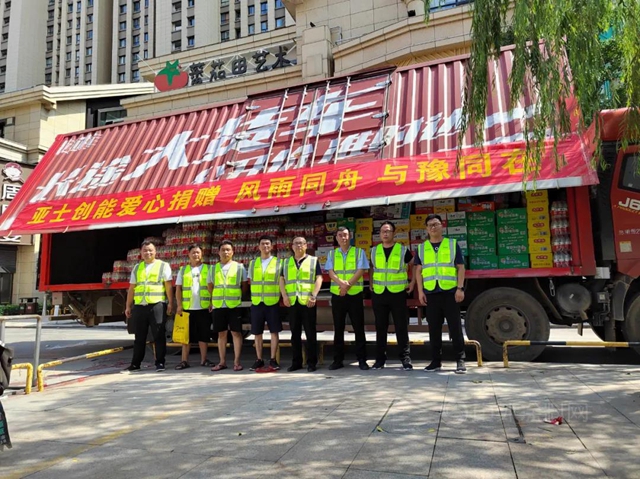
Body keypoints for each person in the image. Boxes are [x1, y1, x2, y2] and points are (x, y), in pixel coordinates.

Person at [415, 213, 467, 374]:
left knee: (455, 327)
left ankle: (460, 360)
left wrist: (460, 288)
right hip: (431, 293)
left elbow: (460, 267)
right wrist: (420, 291)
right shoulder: (422, 248)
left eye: (436, 224)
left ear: (442, 226)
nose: (433, 227)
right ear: (426, 229)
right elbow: (418, 271)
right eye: (430, 225)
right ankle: (436, 361)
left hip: (450, 292)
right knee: (434, 329)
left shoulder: (452, 244)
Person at [369, 221, 415, 370]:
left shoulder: (402, 250)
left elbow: (414, 264)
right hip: (379, 293)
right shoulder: (374, 251)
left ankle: (405, 359)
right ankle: (380, 360)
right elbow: (372, 267)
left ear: (393, 233)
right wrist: (371, 282)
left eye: (388, 231)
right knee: (380, 328)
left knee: (401, 327)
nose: (385, 233)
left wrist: (412, 282)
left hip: (398, 293)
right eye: (383, 231)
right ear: (380, 234)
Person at [124, 240, 174, 372]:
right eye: (145, 250)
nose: (148, 253)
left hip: (157, 304)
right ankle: (135, 364)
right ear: (141, 253)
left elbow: (168, 286)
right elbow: (132, 288)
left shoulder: (163, 266)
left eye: (150, 250)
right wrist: (128, 306)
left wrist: (170, 303)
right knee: (139, 337)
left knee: (159, 335)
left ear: (155, 252)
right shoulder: (137, 267)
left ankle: (160, 363)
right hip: (140, 305)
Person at [325, 226, 369, 370]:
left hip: (354, 294)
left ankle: (362, 359)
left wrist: (348, 285)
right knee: (338, 328)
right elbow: (331, 272)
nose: (343, 238)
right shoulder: (332, 254)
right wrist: (341, 285)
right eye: (340, 235)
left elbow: (361, 270)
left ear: (350, 236)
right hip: (338, 295)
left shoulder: (358, 252)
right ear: (336, 238)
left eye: (345, 235)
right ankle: (338, 360)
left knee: (358, 327)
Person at [279, 237, 323, 372]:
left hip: (307, 301)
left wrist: (314, 295)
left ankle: (311, 363)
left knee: (310, 333)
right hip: (292, 302)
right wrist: (284, 296)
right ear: (292, 246)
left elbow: (319, 278)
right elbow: (282, 280)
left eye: (301, 243)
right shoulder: (286, 262)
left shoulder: (313, 260)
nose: (298, 246)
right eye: (296, 243)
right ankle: (296, 362)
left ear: (306, 246)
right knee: (294, 334)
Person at [208, 240, 248, 372]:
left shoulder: (239, 267)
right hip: (219, 305)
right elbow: (210, 286)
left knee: (236, 333)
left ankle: (237, 362)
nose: (225, 252)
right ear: (218, 252)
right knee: (221, 334)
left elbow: (244, 285)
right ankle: (222, 361)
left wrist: (236, 296)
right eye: (223, 250)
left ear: (232, 252)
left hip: (234, 304)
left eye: (228, 250)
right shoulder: (213, 268)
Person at [174, 244, 213, 370]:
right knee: (186, 337)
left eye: (198, 252)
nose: (196, 255)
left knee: (204, 335)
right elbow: (178, 289)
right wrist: (179, 305)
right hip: (188, 308)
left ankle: (204, 359)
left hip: (203, 307)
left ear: (202, 254)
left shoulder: (209, 269)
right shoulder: (183, 270)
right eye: (193, 253)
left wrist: (212, 302)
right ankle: (184, 361)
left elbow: (212, 288)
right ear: (188, 255)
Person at [248, 236, 283, 372]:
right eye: (263, 244)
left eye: (268, 244)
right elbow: (250, 281)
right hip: (257, 301)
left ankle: (273, 359)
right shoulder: (253, 263)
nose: (265, 246)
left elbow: (281, 281)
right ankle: (259, 359)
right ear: (258, 246)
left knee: (274, 331)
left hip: (272, 301)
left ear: (272, 246)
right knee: (257, 332)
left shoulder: (278, 262)